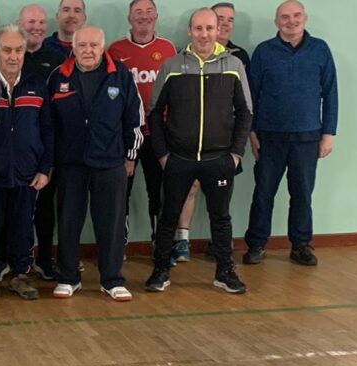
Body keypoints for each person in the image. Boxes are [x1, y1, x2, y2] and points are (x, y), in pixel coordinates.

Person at [144, 8, 252, 295]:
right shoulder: (172, 65)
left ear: (218, 31)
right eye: (199, 28)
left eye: (209, 28)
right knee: (168, 216)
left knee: (221, 218)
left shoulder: (234, 65)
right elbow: (154, 112)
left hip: (219, 158)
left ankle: (225, 272)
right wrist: (163, 154)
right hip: (178, 158)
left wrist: (236, 153)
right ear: (190, 31)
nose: (204, 34)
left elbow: (245, 112)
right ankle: (160, 270)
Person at [49, 26, 142, 302]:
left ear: (102, 48)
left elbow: (135, 118)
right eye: (82, 45)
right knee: (68, 221)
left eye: (93, 46)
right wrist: (51, 161)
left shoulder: (121, 75)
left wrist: (130, 156)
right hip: (70, 163)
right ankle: (68, 277)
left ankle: (112, 279)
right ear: (73, 48)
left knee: (111, 223)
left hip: (110, 162)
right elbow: (49, 124)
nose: (88, 51)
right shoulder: (58, 76)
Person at [243, 0, 337, 267]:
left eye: (296, 15)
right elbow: (250, 96)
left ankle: (300, 245)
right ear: (277, 22)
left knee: (302, 194)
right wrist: (251, 133)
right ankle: (257, 244)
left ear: (305, 18)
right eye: (285, 17)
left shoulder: (320, 49)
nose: (291, 21)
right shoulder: (264, 51)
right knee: (263, 193)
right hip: (269, 137)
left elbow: (330, 93)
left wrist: (328, 133)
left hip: (307, 137)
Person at [0, 24, 52, 302]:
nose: (13, 56)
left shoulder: (36, 85)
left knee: (23, 227)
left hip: (27, 173)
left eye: (18, 50)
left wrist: (44, 168)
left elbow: (48, 130)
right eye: (7, 50)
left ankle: (21, 274)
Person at [107, 0, 177, 250]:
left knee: (158, 190)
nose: (144, 16)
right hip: (125, 134)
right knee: (120, 191)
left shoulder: (168, 48)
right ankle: (119, 243)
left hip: (158, 134)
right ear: (130, 18)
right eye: (138, 12)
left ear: (156, 17)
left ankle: (161, 243)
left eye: (149, 12)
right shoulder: (115, 50)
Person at [16, 4, 65, 280]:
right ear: (19, 24)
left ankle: (44, 258)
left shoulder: (58, 59)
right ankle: (11, 259)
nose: (36, 27)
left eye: (40, 22)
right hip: (17, 148)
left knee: (46, 208)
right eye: (30, 22)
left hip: (47, 144)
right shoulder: (8, 55)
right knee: (13, 208)